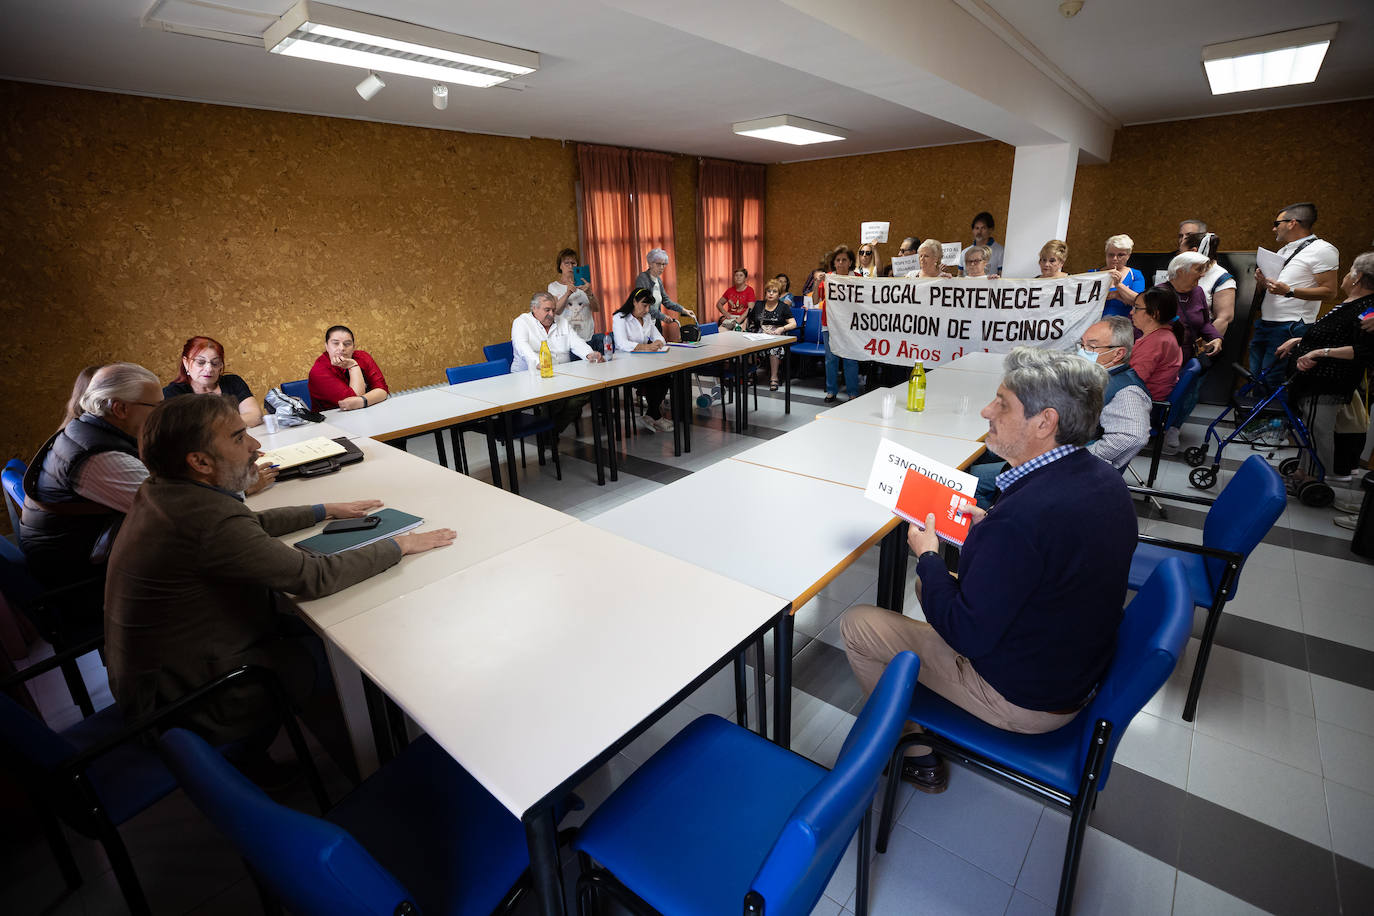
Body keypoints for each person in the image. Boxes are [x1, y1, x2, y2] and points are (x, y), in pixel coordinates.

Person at [842, 347, 1135, 793]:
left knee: (858, 625)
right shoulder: (1105, 480)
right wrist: (986, 528)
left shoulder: (1024, 518)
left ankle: (914, 750)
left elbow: (966, 633)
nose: (986, 411)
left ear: (1045, 422)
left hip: (1025, 698)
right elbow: (1042, 561)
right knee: (935, 591)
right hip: (1068, 667)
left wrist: (929, 556)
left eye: (1002, 402)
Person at [103, 393, 455, 763]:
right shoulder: (206, 519)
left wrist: (322, 510)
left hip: (154, 680)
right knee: (337, 653)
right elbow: (313, 577)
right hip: (188, 699)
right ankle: (360, 758)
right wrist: (399, 545)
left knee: (307, 628)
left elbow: (246, 524)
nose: (255, 447)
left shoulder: (164, 491)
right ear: (200, 461)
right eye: (239, 438)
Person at [20, 363, 164, 588]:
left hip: (75, 552)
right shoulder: (99, 456)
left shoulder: (86, 429)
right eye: (156, 406)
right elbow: (170, 509)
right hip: (79, 580)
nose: (161, 415)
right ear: (120, 409)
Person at [1274, 251, 1374, 492]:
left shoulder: (1368, 309)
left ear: (1357, 277)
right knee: (1309, 429)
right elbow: (1330, 334)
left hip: (1327, 382)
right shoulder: (1351, 304)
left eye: (1349, 270)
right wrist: (1300, 340)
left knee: (1319, 432)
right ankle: (1304, 470)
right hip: (1311, 380)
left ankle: (1315, 478)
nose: (1345, 276)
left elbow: (1365, 350)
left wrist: (1320, 353)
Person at [1251, 202, 1339, 383]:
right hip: (1267, 322)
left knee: (1271, 379)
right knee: (1255, 376)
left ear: (1292, 223)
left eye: (1277, 224)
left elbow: (1330, 292)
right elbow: (1279, 286)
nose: (1274, 229)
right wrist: (1263, 283)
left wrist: (1290, 291)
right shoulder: (1285, 249)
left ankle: (1272, 413)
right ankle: (1254, 411)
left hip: (1290, 325)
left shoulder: (1322, 249)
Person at [511, 291, 603, 433]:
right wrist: (538, 362)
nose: (552, 314)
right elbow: (522, 347)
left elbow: (576, 342)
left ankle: (551, 431)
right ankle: (549, 432)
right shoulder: (521, 322)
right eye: (547, 310)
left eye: (553, 310)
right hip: (531, 378)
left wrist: (589, 354)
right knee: (556, 400)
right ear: (534, 308)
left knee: (584, 393)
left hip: (561, 377)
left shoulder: (562, 322)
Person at [1158, 252, 1222, 452]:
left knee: (1188, 394)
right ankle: (1155, 427)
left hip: (1190, 356)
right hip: (1164, 358)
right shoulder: (1158, 294)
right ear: (1179, 271)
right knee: (1163, 395)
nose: (1201, 275)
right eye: (1198, 270)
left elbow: (1203, 323)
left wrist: (1216, 337)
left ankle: (1174, 427)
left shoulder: (1199, 293)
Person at [1080, 317, 1152, 468]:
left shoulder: (1127, 391)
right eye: (1082, 344)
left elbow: (1133, 437)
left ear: (1118, 354)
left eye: (1091, 347)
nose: (1082, 352)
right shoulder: (1101, 376)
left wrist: (1083, 458)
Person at [163, 335, 263, 427]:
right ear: (185, 363)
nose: (209, 369)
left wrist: (212, 427)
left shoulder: (233, 382)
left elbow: (255, 416)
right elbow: (186, 430)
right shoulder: (174, 393)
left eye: (215, 363)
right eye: (201, 362)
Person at [612, 288, 674, 433]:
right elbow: (622, 343)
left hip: (645, 361)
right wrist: (646, 347)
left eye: (648, 307)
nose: (647, 310)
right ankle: (656, 417)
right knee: (654, 380)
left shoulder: (646, 318)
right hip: (625, 364)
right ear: (634, 301)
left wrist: (658, 342)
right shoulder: (620, 317)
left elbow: (660, 337)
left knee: (666, 377)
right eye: (644, 305)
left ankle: (651, 415)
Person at [816, 245, 862, 402]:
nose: (841, 263)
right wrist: (817, 283)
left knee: (850, 359)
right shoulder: (828, 278)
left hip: (851, 325)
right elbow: (816, 300)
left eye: (844, 260)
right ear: (833, 263)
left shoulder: (857, 277)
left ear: (850, 262)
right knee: (831, 359)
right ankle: (831, 391)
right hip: (829, 325)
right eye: (838, 260)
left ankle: (852, 392)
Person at [308, 325, 389, 412]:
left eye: (347, 344)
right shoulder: (318, 371)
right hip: (331, 420)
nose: (342, 348)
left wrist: (363, 401)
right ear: (327, 346)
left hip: (365, 412)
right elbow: (352, 401)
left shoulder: (363, 357)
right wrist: (353, 366)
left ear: (353, 347)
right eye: (335, 343)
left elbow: (383, 390)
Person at [1181, 231, 1237, 346]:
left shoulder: (1221, 277)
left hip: (1201, 339)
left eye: (1181, 253)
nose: (1178, 257)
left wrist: (1201, 347)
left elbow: (1224, 318)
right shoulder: (1182, 271)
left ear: (1193, 251)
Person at [1130, 287, 1184, 400]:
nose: (1131, 312)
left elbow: (1132, 382)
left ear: (1154, 314)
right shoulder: (1166, 335)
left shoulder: (1155, 342)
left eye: (1137, 308)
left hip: (1144, 402)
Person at [632, 248, 695, 340]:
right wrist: (663, 316)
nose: (661, 267)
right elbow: (644, 304)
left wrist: (683, 310)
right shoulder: (643, 278)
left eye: (663, 264)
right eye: (658, 264)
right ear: (650, 263)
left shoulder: (658, 280)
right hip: (642, 323)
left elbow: (666, 301)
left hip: (655, 322)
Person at [745, 278, 796, 391]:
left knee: (774, 348)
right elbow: (751, 321)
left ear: (779, 294)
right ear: (765, 293)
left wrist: (781, 328)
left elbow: (793, 324)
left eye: (774, 291)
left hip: (776, 335)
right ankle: (750, 374)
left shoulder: (783, 307)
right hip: (759, 334)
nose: (771, 294)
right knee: (747, 346)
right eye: (769, 291)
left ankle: (774, 377)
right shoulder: (759, 305)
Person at [548, 247, 601, 351]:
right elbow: (556, 311)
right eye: (566, 263)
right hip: (567, 340)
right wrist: (567, 293)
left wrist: (589, 293)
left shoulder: (584, 285)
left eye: (573, 263)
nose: (570, 266)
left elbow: (596, 309)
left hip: (587, 337)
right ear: (560, 266)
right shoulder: (554, 286)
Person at [1100, 235, 1145, 318]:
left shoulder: (1134, 275)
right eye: (1111, 255)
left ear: (1128, 256)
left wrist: (1119, 286)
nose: (1115, 258)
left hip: (1124, 324)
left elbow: (1139, 302)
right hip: (1096, 324)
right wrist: (1122, 297)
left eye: (1120, 255)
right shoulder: (1093, 274)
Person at [960, 212, 1005, 276]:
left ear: (991, 230)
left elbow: (1002, 277)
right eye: (977, 228)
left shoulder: (1000, 251)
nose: (979, 232)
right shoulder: (964, 252)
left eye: (983, 228)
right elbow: (960, 276)